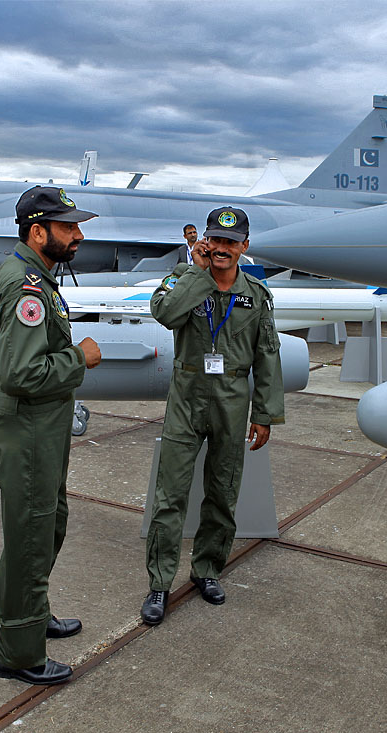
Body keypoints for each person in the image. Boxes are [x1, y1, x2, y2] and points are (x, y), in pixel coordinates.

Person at [0, 185, 102, 686]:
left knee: (46, 527)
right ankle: (17, 653)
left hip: (35, 429)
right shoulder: (26, 286)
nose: (78, 235)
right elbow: (20, 373)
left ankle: (30, 617)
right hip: (29, 430)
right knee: (30, 540)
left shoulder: (28, 275)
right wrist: (80, 357)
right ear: (38, 232)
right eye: (68, 227)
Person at [141, 206, 285, 626]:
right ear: (205, 241)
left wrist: (265, 413)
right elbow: (166, 314)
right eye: (215, 240)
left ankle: (207, 570)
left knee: (223, 491)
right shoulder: (182, 280)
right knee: (170, 495)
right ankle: (160, 583)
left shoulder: (255, 295)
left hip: (231, 400)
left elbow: (267, 354)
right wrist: (197, 273)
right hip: (187, 396)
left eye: (229, 242)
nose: (221, 249)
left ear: (244, 246)